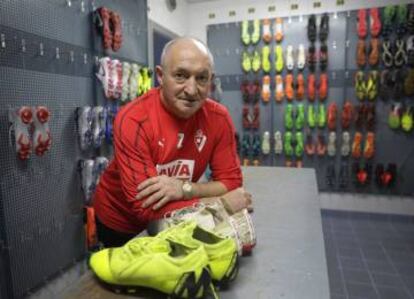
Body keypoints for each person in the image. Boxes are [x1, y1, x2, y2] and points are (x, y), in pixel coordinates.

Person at [93, 37, 252, 247]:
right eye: (180, 76)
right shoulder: (134, 119)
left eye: (202, 78)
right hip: (121, 223)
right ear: (160, 76)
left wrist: (186, 189)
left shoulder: (218, 118)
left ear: (211, 79)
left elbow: (231, 182)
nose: (192, 89)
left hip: (179, 217)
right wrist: (222, 204)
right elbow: (147, 210)